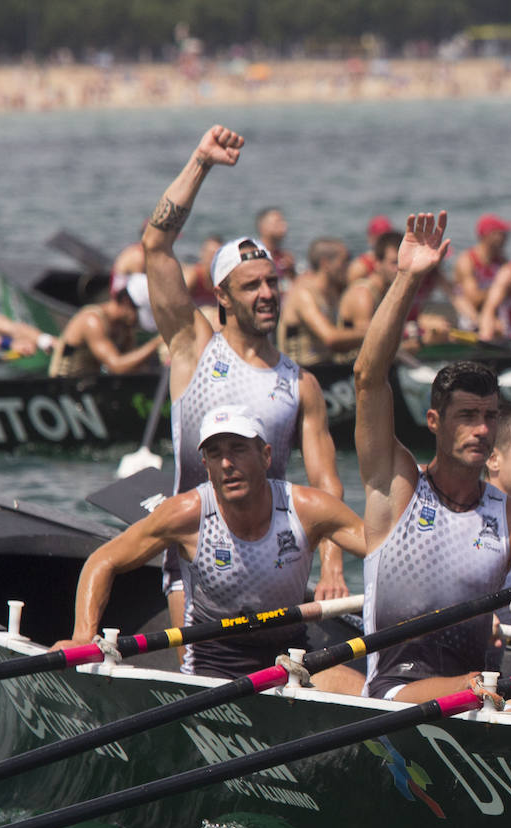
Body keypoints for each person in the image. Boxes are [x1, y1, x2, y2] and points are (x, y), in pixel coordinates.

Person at [140, 124, 349, 628]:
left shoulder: (301, 384)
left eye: (272, 283)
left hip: (276, 562)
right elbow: (155, 246)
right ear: (222, 297)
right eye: (251, 285)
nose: (267, 294)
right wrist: (201, 163)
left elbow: (326, 485)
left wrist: (333, 566)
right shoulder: (193, 347)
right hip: (193, 556)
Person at [354, 211, 511, 703]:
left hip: (483, 697)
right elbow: (368, 379)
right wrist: (407, 279)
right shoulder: (395, 485)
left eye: (490, 416)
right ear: (435, 421)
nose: (482, 429)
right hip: (398, 695)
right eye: (467, 415)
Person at [52, 405, 364, 685]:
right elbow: (103, 560)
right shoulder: (186, 514)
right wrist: (82, 635)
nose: (227, 463)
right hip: (215, 662)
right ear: (205, 464)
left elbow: (380, 547)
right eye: (215, 454)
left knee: (357, 690)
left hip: (292, 653)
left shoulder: (306, 508)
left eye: (238, 449)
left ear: (266, 455)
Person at [47, 273, 162, 377]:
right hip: (64, 382)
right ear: (126, 301)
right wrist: (156, 343)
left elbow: (131, 366)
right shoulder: (92, 321)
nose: (137, 322)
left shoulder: (125, 327)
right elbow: (117, 366)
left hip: (91, 383)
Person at [277, 238, 353, 365]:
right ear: (325, 264)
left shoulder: (333, 291)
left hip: (327, 368)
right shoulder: (304, 293)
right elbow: (330, 337)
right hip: (301, 372)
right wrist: (370, 331)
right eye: (344, 261)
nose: (348, 267)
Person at [336, 231, 401, 345]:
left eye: (402, 261)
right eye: (394, 262)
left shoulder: (387, 291)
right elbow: (370, 344)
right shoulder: (364, 294)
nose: (399, 268)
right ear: (378, 263)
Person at [452, 212, 511, 334]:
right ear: (487, 235)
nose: (506, 238)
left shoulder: (502, 261)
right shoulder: (467, 260)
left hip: (495, 316)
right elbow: (473, 299)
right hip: (471, 319)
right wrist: (501, 289)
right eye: (501, 234)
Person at [254, 206, 298, 284]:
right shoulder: (254, 256)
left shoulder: (285, 258)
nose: (284, 225)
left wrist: (292, 273)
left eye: (283, 221)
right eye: (278, 221)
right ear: (262, 226)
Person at [347, 214, 396, 284]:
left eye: (386, 238)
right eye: (380, 238)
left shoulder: (396, 261)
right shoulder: (360, 267)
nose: (383, 242)